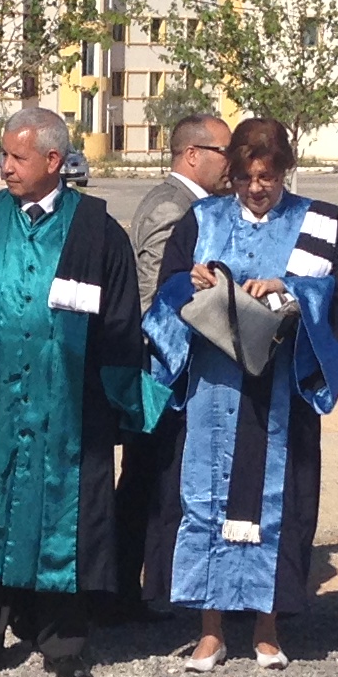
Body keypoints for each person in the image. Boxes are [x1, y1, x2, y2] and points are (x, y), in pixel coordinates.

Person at [0, 107, 158, 677]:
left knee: (63, 518)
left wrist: (118, 403)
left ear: (53, 160)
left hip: (67, 410)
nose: (4, 167)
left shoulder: (97, 231)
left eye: (16, 157)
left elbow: (120, 324)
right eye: (3, 155)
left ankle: (63, 643)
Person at [139, 115, 338, 668]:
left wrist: (293, 290)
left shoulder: (315, 223)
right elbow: (167, 292)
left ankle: (268, 627)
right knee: (204, 500)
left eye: (267, 177)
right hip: (211, 388)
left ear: (285, 170)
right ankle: (210, 630)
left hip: (281, 387)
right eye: (244, 178)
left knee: (278, 505)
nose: (256, 188)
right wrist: (188, 284)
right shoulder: (202, 219)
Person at [106, 113, 229, 622]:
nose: (231, 163)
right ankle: (121, 592)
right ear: (193, 155)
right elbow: (156, 292)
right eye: (224, 152)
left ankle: (136, 588)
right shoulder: (171, 207)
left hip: (175, 365)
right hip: (161, 365)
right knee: (147, 478)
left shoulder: (192, 204)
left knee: (154, 477)